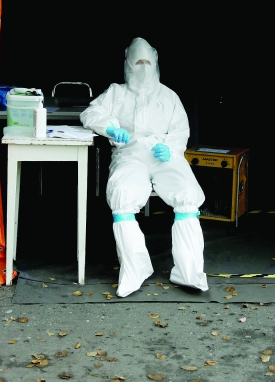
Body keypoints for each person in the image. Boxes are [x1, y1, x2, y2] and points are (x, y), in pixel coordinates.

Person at [80, 38, 208, 297]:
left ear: (156, 62)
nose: (142, 68)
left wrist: (170, 148)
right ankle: (135, 269)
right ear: (127, 62)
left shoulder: (168, 95)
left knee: (186, 194)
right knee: (123, 196)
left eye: (146, 62)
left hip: (163, 153)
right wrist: (111, 128)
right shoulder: (116, 92)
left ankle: (189, 272)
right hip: (129, 154)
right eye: (137, 62)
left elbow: (181, 130)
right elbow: (89, 114)